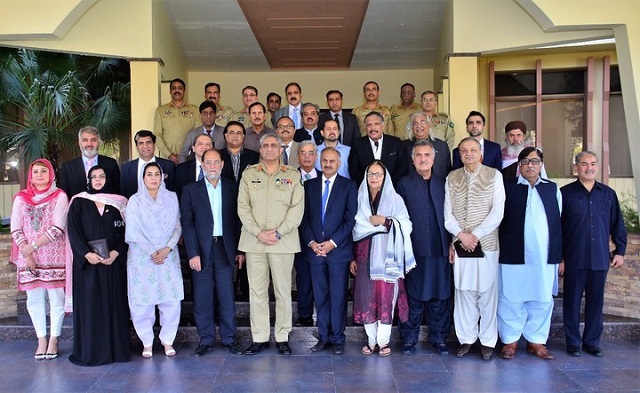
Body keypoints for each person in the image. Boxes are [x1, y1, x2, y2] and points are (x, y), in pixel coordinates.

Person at [237, 133, 304, 355]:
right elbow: (242, 208)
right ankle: (260, 337)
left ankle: (283, 336)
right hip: (254, 242)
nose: (269, 149)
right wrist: (258, 232)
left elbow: (297, 210)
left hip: (282, 243)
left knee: (283, 291)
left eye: (273, 145)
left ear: (280, 150)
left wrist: (278, 233)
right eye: (265, 145)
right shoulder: (249, 175)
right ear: (260, 149)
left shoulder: (293, 175)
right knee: (257, 292)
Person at [560, 151, 627, 357]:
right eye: (584, 164)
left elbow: (618, 225)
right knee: (571, 301)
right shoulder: (565, 193)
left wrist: (620, 251)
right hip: (574, 258)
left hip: (599, 257)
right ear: (576, 168)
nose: (589, 167)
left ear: (598, 167)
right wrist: (559, 257)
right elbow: (557, 229)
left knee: (596, 301)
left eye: (593, 163)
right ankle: (573, 342)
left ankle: (591, 341)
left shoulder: (608, 194)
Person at [444, 137, 505, 361]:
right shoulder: (452, 177)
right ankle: (466, 339)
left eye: (472, 150)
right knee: (464, 292)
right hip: (460, 244)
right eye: (463, 151)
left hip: (486, 244)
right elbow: (447, 214)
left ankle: (488, 342)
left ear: (480, 153)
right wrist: (460, 236)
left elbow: (497, 213)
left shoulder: (493, 175)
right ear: (459, 155)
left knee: (487, 293)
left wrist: (475, 236)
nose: (468, 154)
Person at [498, 147, 561, 360]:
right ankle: (510, 341)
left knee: (542, 298)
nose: (530, 165)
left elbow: (559, 222)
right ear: (519, 166)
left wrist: (560, 256)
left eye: (535, 161)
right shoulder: (508, 188)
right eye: (525, 161)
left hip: (544, 257)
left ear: (541, 164)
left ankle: (536, 341)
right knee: (511, 298)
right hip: (514, 252)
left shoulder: (552, 189)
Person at [181, 149, 245, 357]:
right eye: (208, 163)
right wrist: (192, 253)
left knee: (227, 296)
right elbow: (187, 224)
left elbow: (238, 221)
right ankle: (206, 339)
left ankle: (229, 338)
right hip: (202, 250)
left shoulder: (232, 188)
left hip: (225, 249)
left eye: (216, 162)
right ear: (202, 165)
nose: (212, 167)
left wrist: (239, 250)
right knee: (202, 296)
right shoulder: (191, 190)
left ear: (222, 165)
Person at [67, 166, 130, 366]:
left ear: (108, 178)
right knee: (91, 309)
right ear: (88, 179)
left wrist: (116, 252)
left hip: (113, 265)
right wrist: (86, 255)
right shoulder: (79, 202)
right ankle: (91, 353)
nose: (98, 180)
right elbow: (73, 231)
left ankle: (116, 353)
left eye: (102, 176)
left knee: (114, 307)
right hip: (88, 268)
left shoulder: (120, 203)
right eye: (93, 177)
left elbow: (128, 233)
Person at [351, 161, 415, 357]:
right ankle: (371, 340)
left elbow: (407, 225)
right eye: (371, 174)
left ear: (385, 177)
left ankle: (384, 341)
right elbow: (354, 229)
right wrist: (352, 258)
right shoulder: (359, 198)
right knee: (366, 297)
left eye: (378, 174)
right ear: (366, 175)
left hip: (388, 257)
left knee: (386, 297)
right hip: (363, 256)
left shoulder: (395, 199)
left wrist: (385, 221)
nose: (374, 178)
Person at [396, 141, 452, 356]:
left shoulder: (443, 183)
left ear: (434, 159)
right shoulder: (403, 184)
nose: (423, 159)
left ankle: (439, 339)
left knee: (440, 297)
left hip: (440, 249)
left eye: (427, 155)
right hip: (414, 250)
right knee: (413, 296)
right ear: (412, 159)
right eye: (418, 155)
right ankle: (409, 339)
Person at [10, 159, 69, 360]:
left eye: (44, 171)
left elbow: (58, 227)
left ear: (51, 174)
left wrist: (32, 247)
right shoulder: (21, 198)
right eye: (35, 171)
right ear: (30, 175)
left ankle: (54, 339)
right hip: (29, 258)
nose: (39, 175)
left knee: (56, 299)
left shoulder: (59, 196)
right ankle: (41, 339)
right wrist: (27, 254)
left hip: (53, 255)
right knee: (34, 299)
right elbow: (16, 227)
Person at [301, 147, 357, 355]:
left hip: (338, 251)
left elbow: (350, 219)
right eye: (324, 160)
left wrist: (332, 242)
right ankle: (323, 337)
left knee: (338, 295)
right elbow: (303, 218)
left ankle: (337, 338)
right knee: (320, 295)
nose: (328, 164)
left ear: (339, 163)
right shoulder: (308, 186)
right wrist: (311, 242)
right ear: (318, 161)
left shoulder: (349, 186)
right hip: (315, 251)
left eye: (332, 161)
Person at [125, 162, 183, 358]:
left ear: (162, 177)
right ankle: (147, 342)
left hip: (168, 255)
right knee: (142, 302)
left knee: (171, 300)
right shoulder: (134, 200)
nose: (153, 178)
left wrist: (167, 248)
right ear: (143, 178)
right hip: (142, 256)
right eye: (149, 174)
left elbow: (177, 226)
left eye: (157, 174)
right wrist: (152, 251)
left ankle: (168, 340)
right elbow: (133, 230)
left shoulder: (172, 198)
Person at [59, 126, 120, 198]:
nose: (89, 144)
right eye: (85, 140)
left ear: (99, 142)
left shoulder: (111, 164)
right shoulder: (67, 168)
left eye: (93, 140)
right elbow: (65, 196)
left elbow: (117, 193)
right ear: (79, 142)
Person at [349, 111, 403, 186]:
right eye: (369, 125)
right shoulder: (357, 144)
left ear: (383, 126)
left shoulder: (395, 143)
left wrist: (387, 184)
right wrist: (369, 185)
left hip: (392, 188)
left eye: (376, 124)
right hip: (365, 189)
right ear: (365, 128)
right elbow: (354, 170)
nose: (373, 128)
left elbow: (402, 168)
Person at [154, 78, 200, 164]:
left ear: (184, 91)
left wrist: (185, 154)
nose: (177, 90)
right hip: (167, 159)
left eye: (180, 88)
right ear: (170, 91)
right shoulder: (160, 111)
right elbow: (157, 135)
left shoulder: (194, 110)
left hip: (189, 158)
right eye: (174, 88)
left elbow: (197, 133)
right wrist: (169, 154)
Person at [120, 130, 175, 198]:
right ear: (136, 147)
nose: (145, 146)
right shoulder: (126, 168)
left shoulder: (168, 166)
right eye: (141, 143)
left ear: (154, 145)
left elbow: (173, 191)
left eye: (148, 142)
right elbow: (123, 195)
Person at [400, 112, 452, 179]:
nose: (419, 126)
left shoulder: (442, 146)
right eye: (415, 123)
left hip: (437, 186)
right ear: (412, 127)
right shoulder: (403, 146)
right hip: (410, 187)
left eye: (423, 122)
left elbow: (448, 170)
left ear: (429, 125)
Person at [218, 121, 260, 186]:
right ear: (225, 136)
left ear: (243, 136)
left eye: (239, 133)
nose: (235, 136)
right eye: (232, 133)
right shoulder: (217, 155)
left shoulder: (254, 156)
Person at [174, 133, 213, 199]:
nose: (204, 147)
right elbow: (178, 194)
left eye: (208, 144)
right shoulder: (182, 169)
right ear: (193, 148)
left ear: (212, 149)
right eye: (200, 144)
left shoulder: (219, 168)